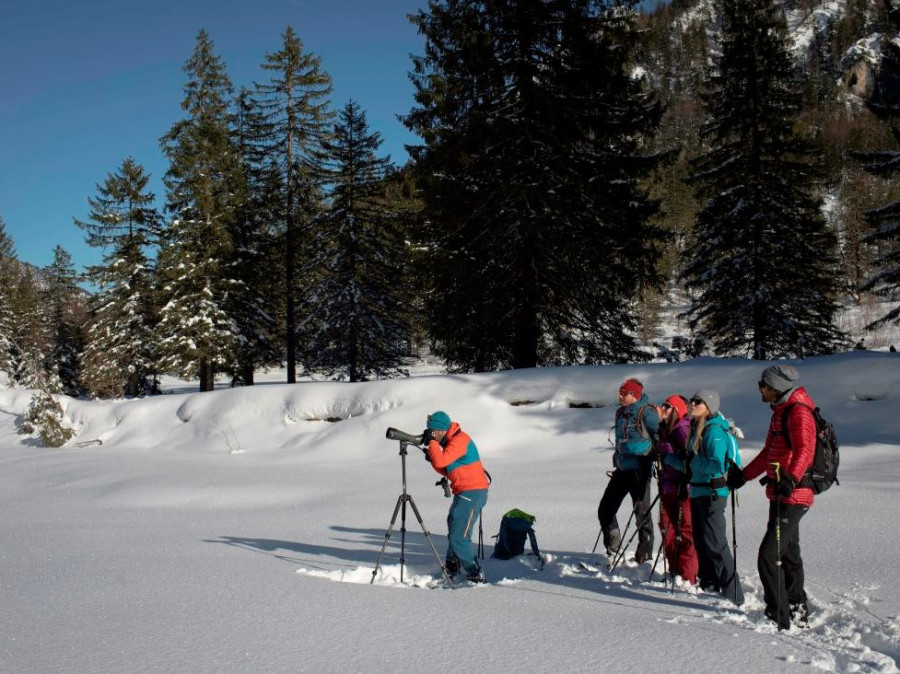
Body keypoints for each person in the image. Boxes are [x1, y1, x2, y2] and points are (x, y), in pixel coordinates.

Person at [727, 365, 816, 629]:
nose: (759, 388)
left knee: (768, 555)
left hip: (794, 493)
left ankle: (777, 616)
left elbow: (805, 449)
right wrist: (744, 476)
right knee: (788, 555)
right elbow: (769, 452)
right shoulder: (780, 412)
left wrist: (792, 477)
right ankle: (796, 611)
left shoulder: (798, 412)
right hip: (781, 492)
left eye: (762, 384)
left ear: (775, 386)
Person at [686, 390, 744, 605]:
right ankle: (710, 583)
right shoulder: (698, 427)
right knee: (702, 541)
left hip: (713, 493)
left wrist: (691, 463)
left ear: (708, 406)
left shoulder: (714, 431)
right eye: (691, 400)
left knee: (716, 542)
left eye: (697, 402)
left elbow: (716, 464)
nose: (692, 404)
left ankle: (734, 594)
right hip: (699, 490)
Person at [598, 378, 660, 563]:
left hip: (640, 471)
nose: (620, 395)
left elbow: (661, 438)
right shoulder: (620, 413)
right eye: (620, 391)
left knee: (642, 513)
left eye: (624, 393)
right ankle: (613, 549)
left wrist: (652, 455)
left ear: (634, 395)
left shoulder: (647, 413)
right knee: (605, 509)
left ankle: (644, 556)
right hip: (622, 469)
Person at [425, 410, 490, 583]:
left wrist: (432, 444)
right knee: (454, 524)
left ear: (440, 430)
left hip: (472, 492)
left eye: (432, 431)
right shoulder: (452, 442)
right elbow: (445, 468)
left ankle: (474, 572)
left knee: (458, 535)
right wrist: (432, 456)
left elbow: (441, 461)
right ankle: (452, 564)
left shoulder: (459, 441)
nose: (431, 434)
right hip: (464, 491)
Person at [656, 394, 698, 585]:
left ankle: (688, 575)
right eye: (663, 405)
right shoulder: (665, 429)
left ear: (677, 410)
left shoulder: (682, 430)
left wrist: (667, 460)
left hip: (683, 488)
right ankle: (674, 570)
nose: (663, 408)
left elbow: (690, 462)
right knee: (667, 528)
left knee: (686, 531)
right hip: (667, 486)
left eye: (668, 406)